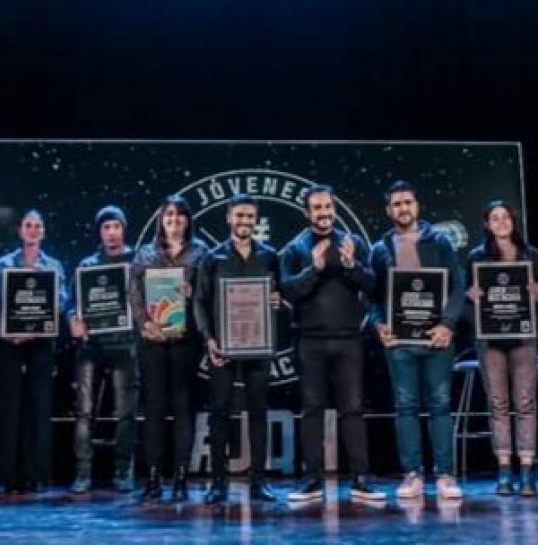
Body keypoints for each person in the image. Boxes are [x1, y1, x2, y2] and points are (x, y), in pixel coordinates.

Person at [280, 185, 384, 502]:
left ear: (334, 209)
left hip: (348, 340)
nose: (324, 214)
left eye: (328, 207)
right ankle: (311, 479)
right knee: (312, 410)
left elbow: (374, 285)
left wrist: (352, 265)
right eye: (317, 208)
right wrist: (314, 269)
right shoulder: (295, 248)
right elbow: (288, 291)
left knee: (352, 409)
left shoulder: (352, 243)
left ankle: (361, 479)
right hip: (310, 341)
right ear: (307, 212)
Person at [368, 180, 466, 500]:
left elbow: (457, 285)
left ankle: (445, 475)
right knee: (405, 406)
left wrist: (448, 324)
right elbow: (372, 295)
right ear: (388, 210)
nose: (403, 208)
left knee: (440, 404)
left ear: (417, 206)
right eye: (397, 204)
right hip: (399, 341)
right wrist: (379, 324)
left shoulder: (440, 241)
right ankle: (412, 474)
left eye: (408, 202)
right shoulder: (379, 249)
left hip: (437, 338)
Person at [192, 193, 281, 504]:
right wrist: (209, 339)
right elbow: (199, 302)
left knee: (258, 411)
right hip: (223, 348)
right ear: (229, 218)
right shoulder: (212, 258)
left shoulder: (270, 256)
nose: (244, 222)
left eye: (249, 216)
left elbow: (279, 297)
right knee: (220, 412)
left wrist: (276, 300)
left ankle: (259, 482)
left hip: (258, 345)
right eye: (239, 216)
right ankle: (218, 483)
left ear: (256, 220)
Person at [464, 200, 538, 496]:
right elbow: (467, 297)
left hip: (524, 337)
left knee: (525, 403)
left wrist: (536, 295)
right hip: (490, 339)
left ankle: (526, 470)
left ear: (514, 221)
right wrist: (471, 295)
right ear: (487, 224)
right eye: (494, 218)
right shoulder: (476, 257)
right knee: (497, 404)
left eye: (505, 217)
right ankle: (503, 471)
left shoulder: (531, 254)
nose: (501, 222)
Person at [0, 210, 69, 494]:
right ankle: (8, 473)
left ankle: (37, 472)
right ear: (20, 231)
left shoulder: (54, 266)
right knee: (9, 408)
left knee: (39, 407)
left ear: (43, 232)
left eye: (38, 225)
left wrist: (34, 330)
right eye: (28, 226)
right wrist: (7, 332)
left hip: (41, 343)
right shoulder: (3, 264)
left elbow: (60, 304)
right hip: (9, 344)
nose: (33, 230)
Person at [134, 195, 208, 503]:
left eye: (179, 215)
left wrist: (192, 293)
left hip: (186, 341)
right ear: (161, 220)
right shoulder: (145, 254)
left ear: (187, 220)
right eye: (168, 215)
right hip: (152, 340)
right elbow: (134, 295)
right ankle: (152, 478)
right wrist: (144, 324)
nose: (173, 220)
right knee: (153, 409)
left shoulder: (200, 253)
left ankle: (180, 477)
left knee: (182, 409)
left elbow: (207, 296)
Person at [68, 206, 139, 494]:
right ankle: (83, 473)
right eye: (106, 227)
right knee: (84, 413)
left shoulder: (137, 261)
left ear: (123, 229)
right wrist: (73, 319)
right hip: (92, 345)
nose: (111, 232)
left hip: (125, 343)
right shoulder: (87, 265)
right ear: (100, 232)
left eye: (116, 227)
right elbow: (71, 302)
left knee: (125, 412)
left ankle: (123, 472)